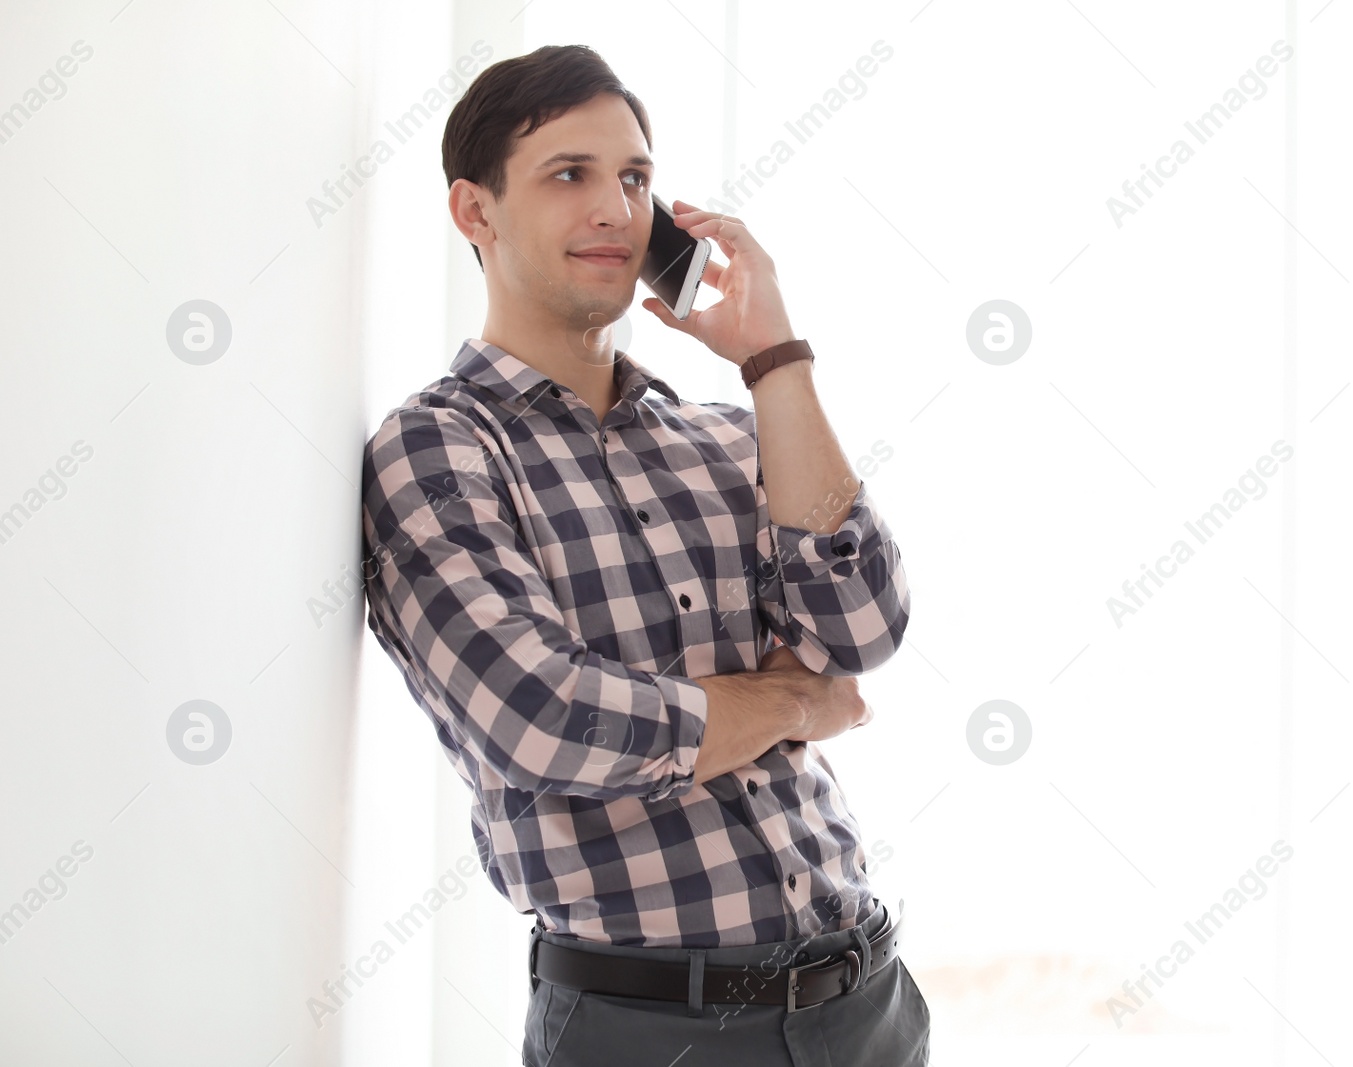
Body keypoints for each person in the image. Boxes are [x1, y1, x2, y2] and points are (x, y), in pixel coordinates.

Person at [358, 43, 928, 1066]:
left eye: (634, 178)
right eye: (568, 174)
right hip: (653, 1027)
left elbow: (864, 627)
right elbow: (548, 717)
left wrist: (772, 357)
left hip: (866, 1000)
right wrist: (796, 702)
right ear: (474, 212)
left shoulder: (731, 435)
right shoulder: (440, 448)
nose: (616, 209)